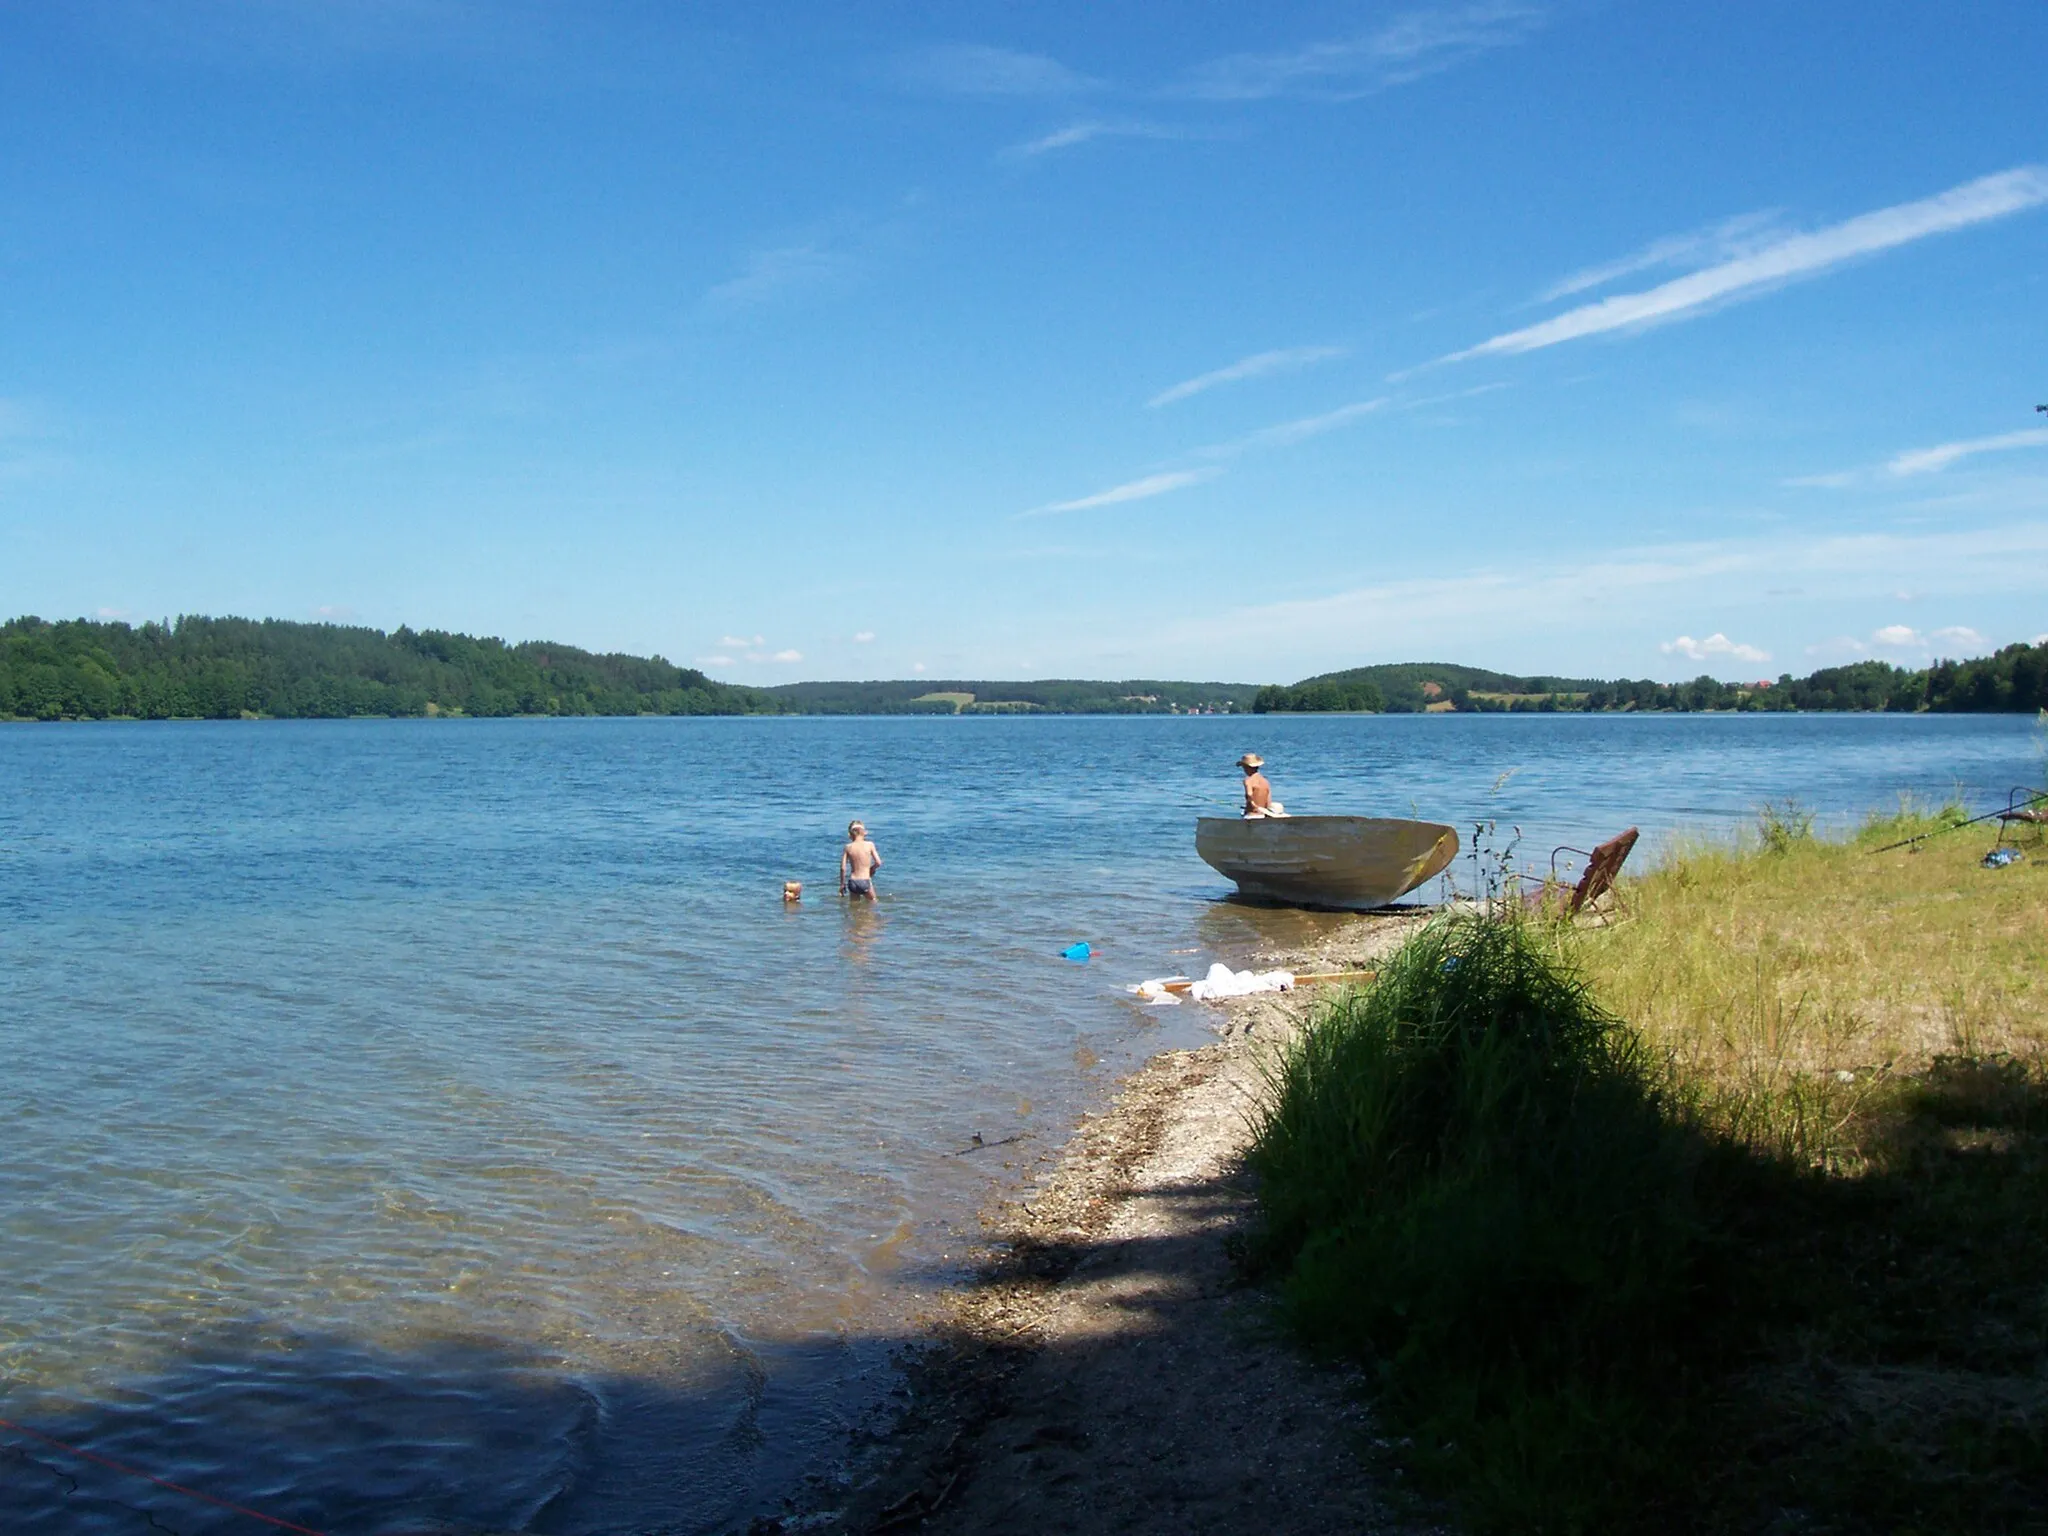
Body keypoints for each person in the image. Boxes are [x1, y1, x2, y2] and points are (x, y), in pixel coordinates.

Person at [840, 820, 882, 900]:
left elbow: (843, 868)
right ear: (864, 832)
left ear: (850, 835)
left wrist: (842, 885)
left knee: (854, 907)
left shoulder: (848, 847)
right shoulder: (870, 845)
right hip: (865, 880)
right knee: (873, 902)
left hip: (853, 882)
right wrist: (872, 869)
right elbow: (878, 862)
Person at [1238, 753, 1287, 818]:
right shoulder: (1265, 781)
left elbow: (1249, 794)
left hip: (1251, 815)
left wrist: (1253, 805)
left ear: (1246, 767)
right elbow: (1268, 801)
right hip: (1262, 815)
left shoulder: (1248, 780)